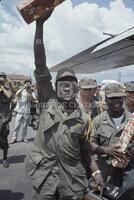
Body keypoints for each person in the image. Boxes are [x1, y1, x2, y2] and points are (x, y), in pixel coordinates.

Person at [25, 11, 104, 200]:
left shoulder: (84, 119)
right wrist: (39, 26)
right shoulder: (48, 101)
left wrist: (95, 172)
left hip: (71, 180)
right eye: (63, 83)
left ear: (76, 88)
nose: (67, 87)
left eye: (71, 83)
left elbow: (85, 149)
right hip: (45, 179)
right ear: (56, 86)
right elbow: (40, 63)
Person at [90, 83, 134, 200]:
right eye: (112, 98)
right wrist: (106, 150)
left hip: (128, 174)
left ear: (123, 98)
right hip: (106, 173)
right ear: (106, 100)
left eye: (119, 97)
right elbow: (90, 144)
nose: (116, 101)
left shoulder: (132, 120)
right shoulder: (98, 121)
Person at [0, 72, 12, 168]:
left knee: (4, 139)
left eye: (2, 77)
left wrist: (3, 87)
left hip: (4, 116)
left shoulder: (8, 87)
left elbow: (9, 96)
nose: (1, 78)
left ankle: (5, 158)